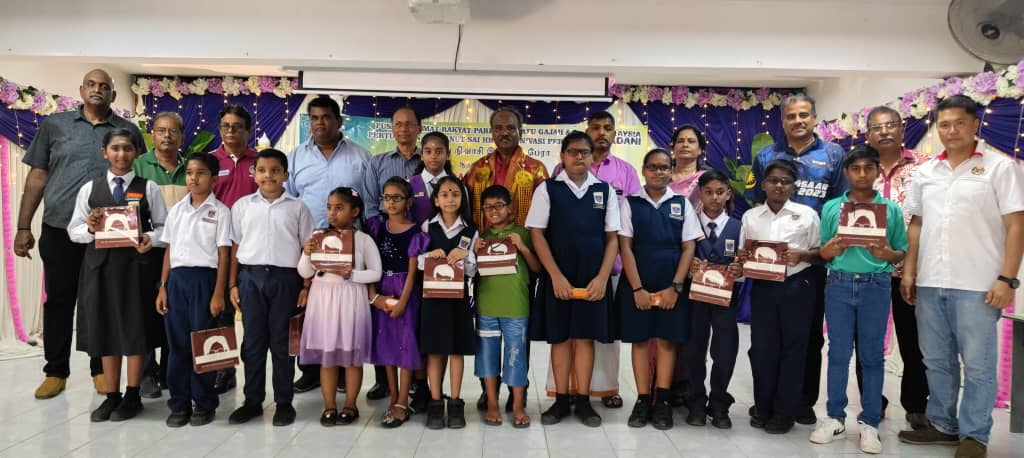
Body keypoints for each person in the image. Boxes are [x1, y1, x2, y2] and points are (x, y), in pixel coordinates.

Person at [897, 95, 1024, 458]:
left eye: (959, 123)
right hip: (930, 280)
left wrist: (1007, 279)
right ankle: (942, 425)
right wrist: (910, 271)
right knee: (936, 359)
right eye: (944, 124)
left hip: (979, 284)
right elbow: (916, 224)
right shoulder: (926, 172)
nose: (951, 131)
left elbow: (1016, 225)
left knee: (978, 364)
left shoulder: (1001, 167)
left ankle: (974, 436)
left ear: (975, 125)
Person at [16, 69, 141, 399]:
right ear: (81, 90)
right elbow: (37, 176)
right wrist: (23, 226)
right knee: (59, 301)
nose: (97, 90)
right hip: (59, 229)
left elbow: (137, 177)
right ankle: (55, 371)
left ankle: (100, 370)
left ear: (113, 94)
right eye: (92, 85)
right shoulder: (54, 126)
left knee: (100, 301)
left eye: (104, 86)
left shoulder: (127, 130)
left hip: (109, 232)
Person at [744, 94, 847, 425]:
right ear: (783, 121)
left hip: (809, 262)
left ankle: (800, 403)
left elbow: (840, 205)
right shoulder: (767, 155)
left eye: (804, 115)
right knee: (766, 342)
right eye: (791, 116)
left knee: (807, 337)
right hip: (767, 268)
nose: (798, 121)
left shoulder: (833, 154)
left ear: (814, 117)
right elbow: (754, 203)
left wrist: (818, 251)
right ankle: (768, 401)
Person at [811, 146, 907, 454]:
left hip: (876, 286)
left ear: (877, 171)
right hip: (838, 284)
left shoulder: (890, 210)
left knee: (872, 356)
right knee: (838, 353)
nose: (862, 174)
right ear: (846, 172)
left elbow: (900, 252)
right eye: (856, 168)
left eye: (868, 168)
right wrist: (833, 249)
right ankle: (834, 418)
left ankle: (869, 423)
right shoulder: (832, 208)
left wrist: (886, 253)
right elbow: (823, 252)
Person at [68, 128, 168, 422]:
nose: (121, 154)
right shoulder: (90, 189)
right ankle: (111, 396)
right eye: (115, 148)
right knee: (105, 329)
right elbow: (73, 231)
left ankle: (133, 395)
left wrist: (150, 238)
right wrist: (89, 227)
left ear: (136, 152)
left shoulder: (148, 188)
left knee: (135, 329)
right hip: (100, 270)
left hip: (136, 271)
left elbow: (165, 228)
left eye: (127, 148)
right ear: (105, 153)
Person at [546, 111, 639, 409]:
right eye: (595, 127)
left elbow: (631, 219)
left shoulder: (625, 171)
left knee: (604, 336)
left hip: (610, 267)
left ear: (614, 134)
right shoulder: (559, 174)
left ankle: (607, 389)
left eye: (607, 128)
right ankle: (567, 392)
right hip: (567, 266)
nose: (601, 132)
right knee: (566, 334)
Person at [527, 131, 620, 428]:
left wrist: (602, 278)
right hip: (558, 275)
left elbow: (612, 238)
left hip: (593, 276)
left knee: (585, 338)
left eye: (584, 152)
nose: (579, 157)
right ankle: (561, 400)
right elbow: (537, 234)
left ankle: (583, 401)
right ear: (563, 156)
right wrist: (554, 276)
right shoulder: (548, 189)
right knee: (561, 338)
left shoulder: (605, 191)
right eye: (573, 152)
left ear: (593, 157)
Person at [285, 95, 374, 396]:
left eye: (326, 117)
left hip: (349, 247)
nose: (320, 123)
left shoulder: (361, 157)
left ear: (338, 120)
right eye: (314, 118)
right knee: (312, 309)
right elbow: (290, 201)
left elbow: (369, 202)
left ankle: (343, 372)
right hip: (310, 245)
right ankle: (311, 370)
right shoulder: (296, 157)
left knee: (343, 311)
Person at [227, 149, 314, 427]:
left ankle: (284, 402)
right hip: (250, 278)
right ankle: (252, 401)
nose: (268, 176)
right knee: (253, 342)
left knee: (282, 342)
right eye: (262, 170)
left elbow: (308, 248)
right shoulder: (242, 206)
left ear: (285, 175)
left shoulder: (298, 207)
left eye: (275, 170)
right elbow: (235, 247)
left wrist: (306, 285)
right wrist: (232, 283)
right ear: (254, 174)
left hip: (286, 279)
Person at [618, 148, 700, 430]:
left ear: (670, 171)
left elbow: (689, 247)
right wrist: (637, 288)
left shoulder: (682, 204)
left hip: (671, 282)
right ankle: (643, 400)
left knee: (666, 341)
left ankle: (662, 401)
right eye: (652, 167)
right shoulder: (631, 203)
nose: (658, 172)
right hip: (638, 281)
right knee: (640, 341)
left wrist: (675, 287)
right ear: (643, 170)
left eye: (664, 167)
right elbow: (625, 247)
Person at [862, 106, 931, 430]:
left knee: (914, 342)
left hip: (910, 270)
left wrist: (913, 269)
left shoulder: (925, 166)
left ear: (903, 129)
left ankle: (916, 405)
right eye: (877, 127)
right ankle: (872, 401)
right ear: (868, 135)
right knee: (868, 341)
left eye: (891, 125)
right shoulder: (859, 168)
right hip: (866, 270)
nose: (885, 131)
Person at [741, 159, 821, 435]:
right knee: (763, 348)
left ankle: (785, 411)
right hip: (763, 287)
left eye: (785, 181)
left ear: (793, 186)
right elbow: (742, 253)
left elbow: (820, 253)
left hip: (797, 286)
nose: (779, 186)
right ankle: (763, 406)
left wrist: (803, 255)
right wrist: (743, 259)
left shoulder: (807, 214)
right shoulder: (751, 217)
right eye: (773, 180)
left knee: (793, 349)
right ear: (763, 185)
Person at [154, 152, 230, 427]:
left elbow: (224, 255)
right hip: (177, 281)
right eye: (189, 173)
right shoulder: (177, 210)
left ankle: (205, 402)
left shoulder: (220, 212)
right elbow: (169, 250)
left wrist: (218, 293)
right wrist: (163, 286)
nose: (193, 178)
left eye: (200, 173)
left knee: (203, 344)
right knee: (177, 346)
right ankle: (179, 403)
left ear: (213, 179)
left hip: (205, 281)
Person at [298, 187, 382, 427]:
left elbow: (376, 272)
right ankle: (329, 406)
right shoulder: (318, 237)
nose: (332, 213)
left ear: (354, 211)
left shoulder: (363, 240)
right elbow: (304, 271)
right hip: (323, 300)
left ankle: (350, 405)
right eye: (329, 208)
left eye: (339, 208)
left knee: (351, 357)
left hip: (350, 301)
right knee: (328, 357)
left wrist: (351, 274)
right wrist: (307, 253)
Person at [475, 185, 541, 428]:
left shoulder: (523, 234)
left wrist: (522, 247)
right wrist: (474, 251)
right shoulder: (480, 238)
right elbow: (470, 271)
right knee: (487, 357)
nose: (493, 211)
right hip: (487, 307)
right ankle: (492, 404)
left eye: (499, 206)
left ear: (510, 208)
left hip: (516, 308)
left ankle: (518, 406)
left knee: (516, 357)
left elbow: (537, 268)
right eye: (488, 207)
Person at [133, 111, 189, 400]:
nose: (167, 136)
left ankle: (170, 370)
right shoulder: (138, 166)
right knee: (144, 313)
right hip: (146, 252)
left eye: (173, 131)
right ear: (152, 134)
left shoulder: (190, 168)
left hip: (180, 255)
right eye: (161, 130)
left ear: (182, 136)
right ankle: (146, 373)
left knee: (173, 312)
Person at [366, 177, 429, 427]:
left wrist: (403, 301)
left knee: (405, 345)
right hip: (382, 290)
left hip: (405, 292)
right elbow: (368, 264)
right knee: (387, 345)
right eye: (387, 197)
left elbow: (413, 273)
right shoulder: (376, 228)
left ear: (408, 201)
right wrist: (374, 296)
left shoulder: (415, 233)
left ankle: (403, 401)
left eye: (397, 198)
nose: (391, 202)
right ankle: (393, 397)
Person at [684, 169, 743, 429]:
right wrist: (689, 268)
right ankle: (696, 401)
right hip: (694, 298)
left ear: (728, 193)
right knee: (693, 349)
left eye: (720, 192)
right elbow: (680, 257)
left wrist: (739, 271)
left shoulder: (739, 227)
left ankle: (719, 402)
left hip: (725, 299)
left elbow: (744, 263)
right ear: (700, 194)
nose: (714, 197)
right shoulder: (689, 224)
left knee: (725, 349)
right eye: (708, 192)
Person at [418, 176, 479, 429]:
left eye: (455, 194)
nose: (450, 199)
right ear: (436, 200)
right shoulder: (427, 227)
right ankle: (435, 404)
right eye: (444, 194)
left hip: (458, 300)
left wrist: (466, 256)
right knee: (434, 351)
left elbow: (474, 270)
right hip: (432, 300)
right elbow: (417, 261)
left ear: (462, 198)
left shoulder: (471, 231)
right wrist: (429, 256)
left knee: (456, 351)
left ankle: (455, 404)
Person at [209, 104, 259, 395]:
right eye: (226, 126)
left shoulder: (260, 162)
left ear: (248, 131)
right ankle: (223, 369)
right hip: (218, 247)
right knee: (221, 313)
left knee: (250, 311)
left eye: (237, 127)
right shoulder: (211, 161)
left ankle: (251, 369)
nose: (231, 131)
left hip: (251, 248)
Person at [463, 106, 549, 231]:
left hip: (522, 240)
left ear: (520, 132)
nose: (504, 133)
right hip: (482, 239)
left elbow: (546, 211)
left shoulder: (536, 169)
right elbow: (464, 205)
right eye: (498, 128)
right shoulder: (477, 167)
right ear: (492, 133)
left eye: (511, 128)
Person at [364, 106, 423, 219]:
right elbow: (370, 205)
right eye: (398, 124)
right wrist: (379, 227)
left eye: (409, 124)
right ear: (392, 129)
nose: (403, 129)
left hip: (423, 225)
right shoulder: (377, 162)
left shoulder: (430, 162)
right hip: (386, 225)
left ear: (419, 129)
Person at [409, 132, 454, 226]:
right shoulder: (409, 185)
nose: (433, 156)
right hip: (417, 235)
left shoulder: (458, 186)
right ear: (421, 155)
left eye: (438, 152)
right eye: (428, 152)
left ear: (448, 154)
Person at [669, 125, 709, 210]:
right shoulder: (662, 177)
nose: (685, 145)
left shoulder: (707, 179)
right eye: (680, 141)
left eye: (691, 141)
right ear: (673, 148)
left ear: (700, 150)